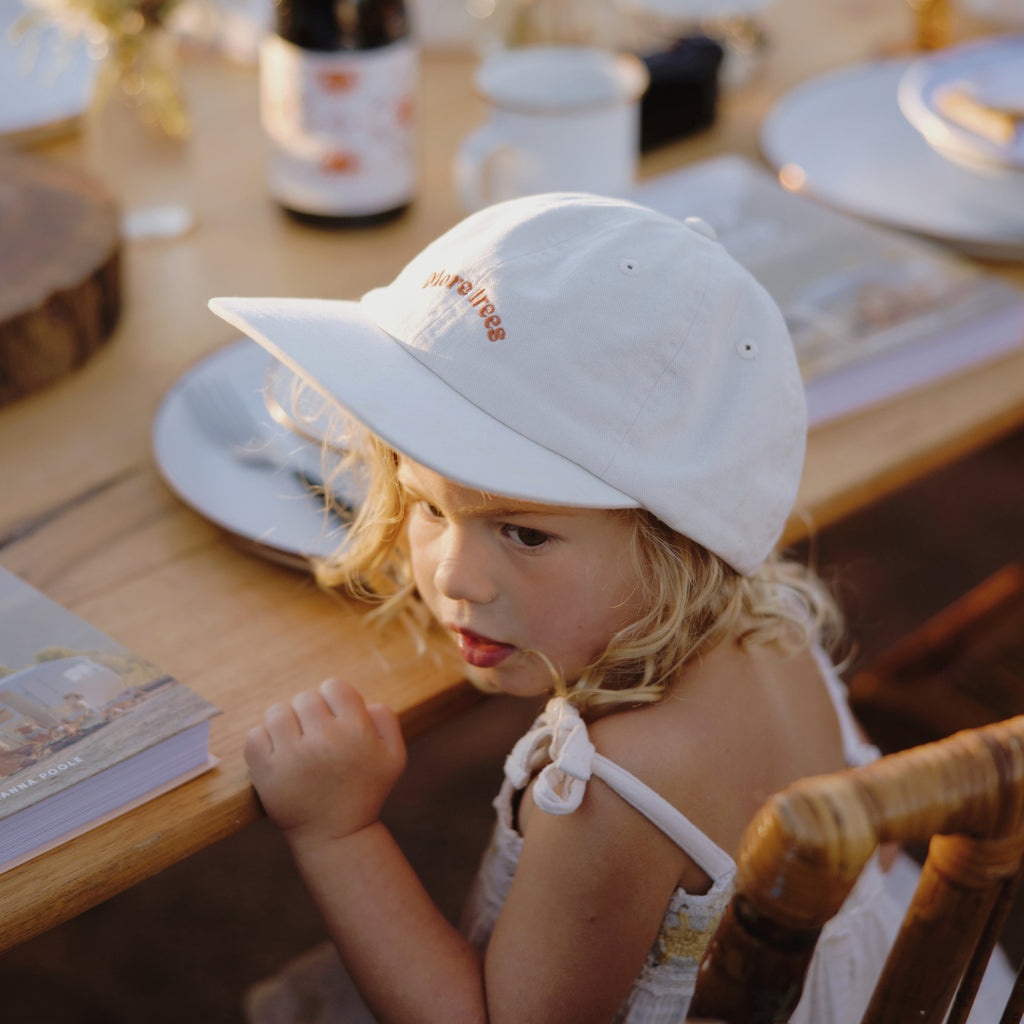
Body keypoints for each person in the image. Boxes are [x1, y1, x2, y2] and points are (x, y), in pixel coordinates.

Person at [210, 192, 1012, 1024]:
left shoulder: (614, 790)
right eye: (429, 507)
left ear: (674, 550)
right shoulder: (770, 621)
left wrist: (337, 832)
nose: (455, 578)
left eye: (523, 533)